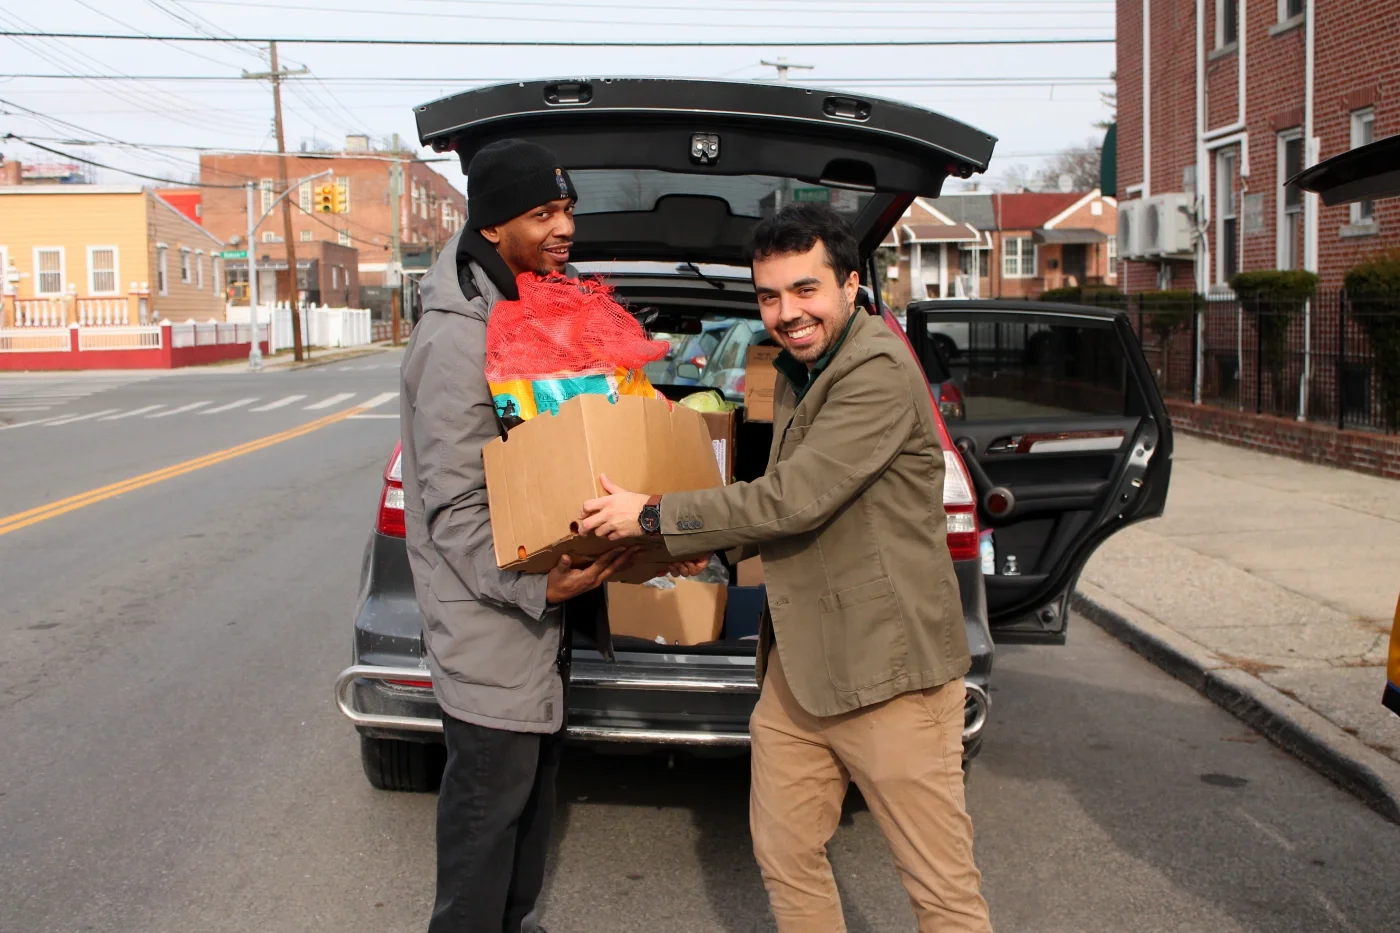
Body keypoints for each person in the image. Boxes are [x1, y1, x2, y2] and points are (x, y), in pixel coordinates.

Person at [580, 202, 993, 933]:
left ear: (850, 284)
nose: (786, 313)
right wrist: (714, 544)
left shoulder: (875, 370)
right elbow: (795, 511)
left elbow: (795, 498)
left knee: (941, 891)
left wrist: (656, 515)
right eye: (769, 296)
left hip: (889, 675)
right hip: (800, 671)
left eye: (805, 290)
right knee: (786, 855)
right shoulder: (807, 369)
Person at [399, 138, 637, 933]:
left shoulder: (535, 304)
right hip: (493, 619)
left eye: (568, 208)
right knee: (484, 835)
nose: (565, 226)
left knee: (527, 822)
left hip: (537, 617)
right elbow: (455, 507)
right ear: (494, 226)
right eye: (544, 213)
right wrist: (537, 585)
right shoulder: (459, 335)